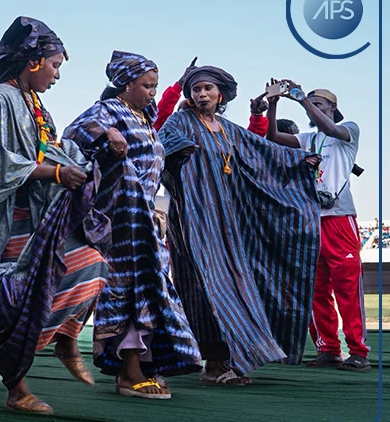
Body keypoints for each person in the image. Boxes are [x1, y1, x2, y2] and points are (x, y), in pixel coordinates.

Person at [0, 17, 109, 414]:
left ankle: (67, 337)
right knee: (15, 300)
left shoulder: (34, 103)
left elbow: (47, 148)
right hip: (7, 217)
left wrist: (80, 160)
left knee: (92, 263)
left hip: (39, 212)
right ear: (34, 62)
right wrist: (56, 173)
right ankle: (17, 389)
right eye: (55, 65)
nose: (57, 75)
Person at [157, 64, 321, 385]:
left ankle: (234, 355)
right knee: (207, 284)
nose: (202, 94)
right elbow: (161, 144)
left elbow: (262, 151)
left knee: (239, 282)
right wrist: (179, 151)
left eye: (208, 88)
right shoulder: (181, 121)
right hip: (195, 220)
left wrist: (299, 160)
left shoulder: (228, 130)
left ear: (221, 95)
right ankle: (214, 363)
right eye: (196, 89)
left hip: (227, 222)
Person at [63, 51, 202, 401]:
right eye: (146, 86)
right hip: (122, 220)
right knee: (128, 289)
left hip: (145, 218)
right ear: (126, 85)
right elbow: (74, 131)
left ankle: (143, 363)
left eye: (155, 86)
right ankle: (129, 370)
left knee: (150, 289)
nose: (152, 92)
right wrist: (108, 131)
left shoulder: (145, 117)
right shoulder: (110, 109)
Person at [263, 85, 368, 372]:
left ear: (333, 107)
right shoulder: (308, 138)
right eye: (312, 104)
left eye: (319, 104)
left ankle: (358, 351)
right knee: (316, 288)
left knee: (347, 287)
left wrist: (301, 99)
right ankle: (329, 348)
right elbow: (273, 137)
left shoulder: (348, 130)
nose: (313, 109)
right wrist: (273, 105)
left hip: (339, 217)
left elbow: (330, 129)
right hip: (310, 218)